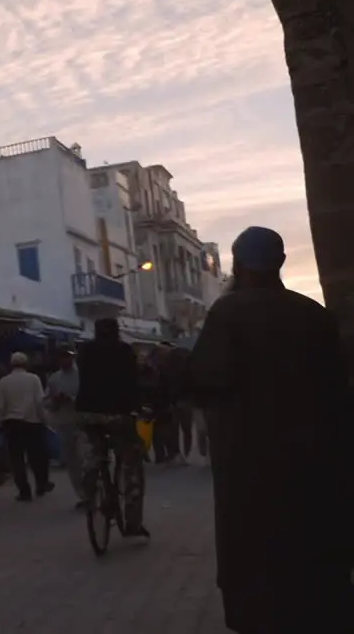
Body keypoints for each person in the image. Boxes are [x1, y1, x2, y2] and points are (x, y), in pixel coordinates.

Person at [188, 226, 352, 633]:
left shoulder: (226, 314)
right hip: (315, 466)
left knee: (255, 565)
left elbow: (206, 381)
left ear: (238, 263)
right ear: (280, 262)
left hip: (248, 469)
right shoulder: (314, 315)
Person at [76, 317, 148, 539]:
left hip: (89, 414)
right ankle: (133, 522)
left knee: (93, 452)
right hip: (119, 415)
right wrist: (139, 407)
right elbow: (132, 382)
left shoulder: (85, 351)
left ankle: (91, 483)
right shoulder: (124, 351)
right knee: (132, 465)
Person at [0, 352, 52, 502]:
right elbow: (40, 402)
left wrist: (1, 421)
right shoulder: (34, 379)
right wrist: (45, 420)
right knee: (37, 456)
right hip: (32, 422)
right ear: (26, 364)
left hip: (12, 424)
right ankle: (41, 484)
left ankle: (24, 490)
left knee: (16, 459)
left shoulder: (4, 382)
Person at [43, 348, 86, 508]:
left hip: (82, 422)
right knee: (72, 460)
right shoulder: (54, 379)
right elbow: (46, 401)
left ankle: (92, 489)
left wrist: (72, 399)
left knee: (84, 457)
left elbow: (89, 398)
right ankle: (82, 494)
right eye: (61, 357)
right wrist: (55, 401)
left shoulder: (82, 375)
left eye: (67, 356)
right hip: (64, 423)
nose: (64, 360)